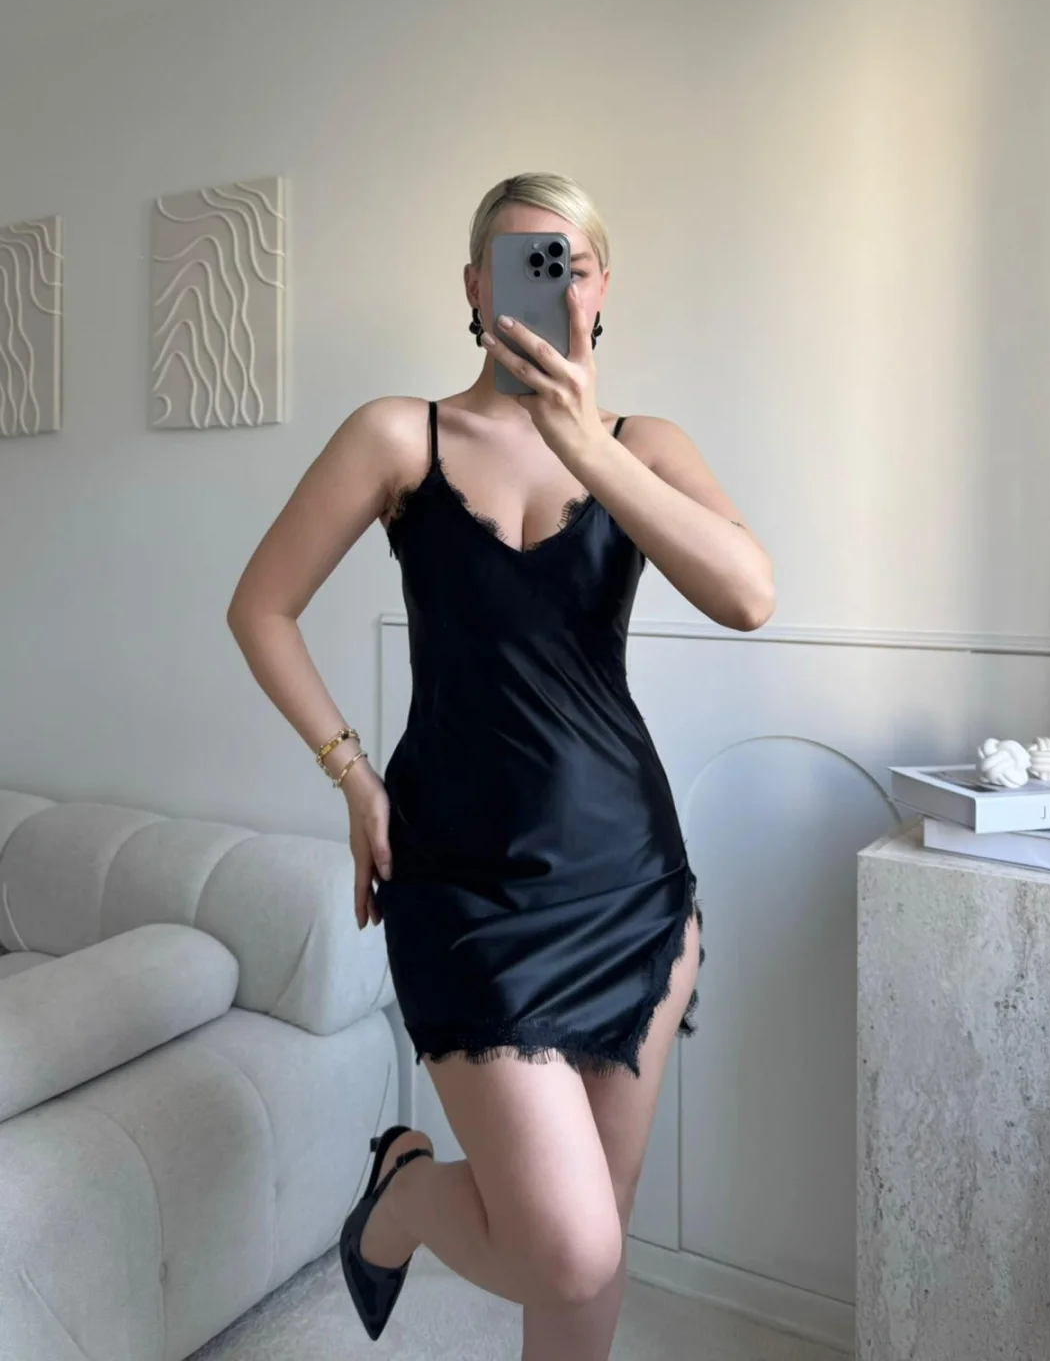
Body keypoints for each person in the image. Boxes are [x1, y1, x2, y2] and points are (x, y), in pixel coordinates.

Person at [226, 171, 775, 1358]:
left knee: (590, 1257)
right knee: (568, 1249)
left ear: (601, 289)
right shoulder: (398, 436)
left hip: (630, 884)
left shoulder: (645, 447)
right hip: (460, 883)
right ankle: (404, 1196)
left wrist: (585, 442)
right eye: (522, 262)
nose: (546, 283)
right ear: (476, 287)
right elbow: (260, 607)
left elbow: (749, 595)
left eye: (568, 263)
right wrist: (354, 778)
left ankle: (410, 1200)